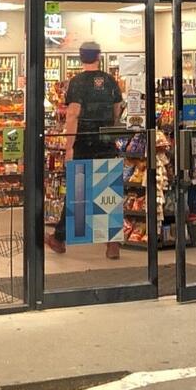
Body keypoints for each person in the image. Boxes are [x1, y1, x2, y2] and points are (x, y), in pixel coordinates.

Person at [47, 40, 124, 261]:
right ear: (99, 56)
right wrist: (109, 130)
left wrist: (69, 146)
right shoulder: (110, 80)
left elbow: (72, 115)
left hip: (83, 141)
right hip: (106, 141)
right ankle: (112, 244)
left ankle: (60, 238)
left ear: (81, 57)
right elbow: (117, 110)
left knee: (77, 190)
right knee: (108, 190)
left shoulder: (77, 82)